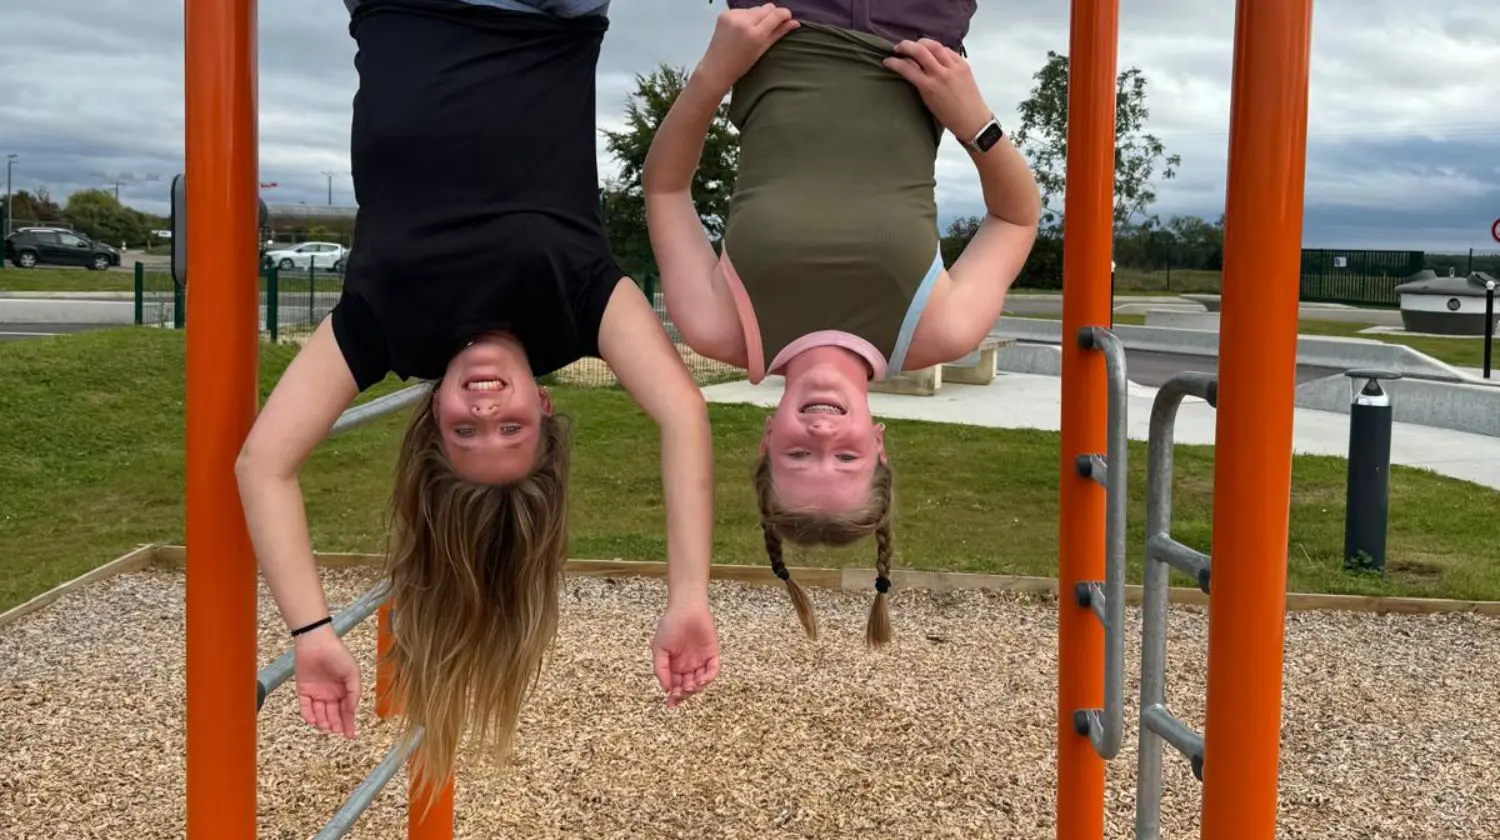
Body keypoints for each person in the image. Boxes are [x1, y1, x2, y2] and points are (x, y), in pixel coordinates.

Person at [235, 0, 720, 793]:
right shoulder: (583, 307)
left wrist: (313, 632)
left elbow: (264, 465)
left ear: (433, 422)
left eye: (467, 432)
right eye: (512, 429)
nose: (486, 407)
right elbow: (681, 412)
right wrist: (688, 593)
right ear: (546, 411)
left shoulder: (383, 330)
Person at [643, 2, 1041, 647]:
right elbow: (1016, 221)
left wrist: (714, 77)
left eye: (800, 454)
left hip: (785, 23)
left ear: (768, 436)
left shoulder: (719, 326)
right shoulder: (939, 330)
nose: (822, 431)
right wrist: (979, 125)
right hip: (916, 29)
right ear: (877, 441)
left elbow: (665, 189)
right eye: (846, 454)